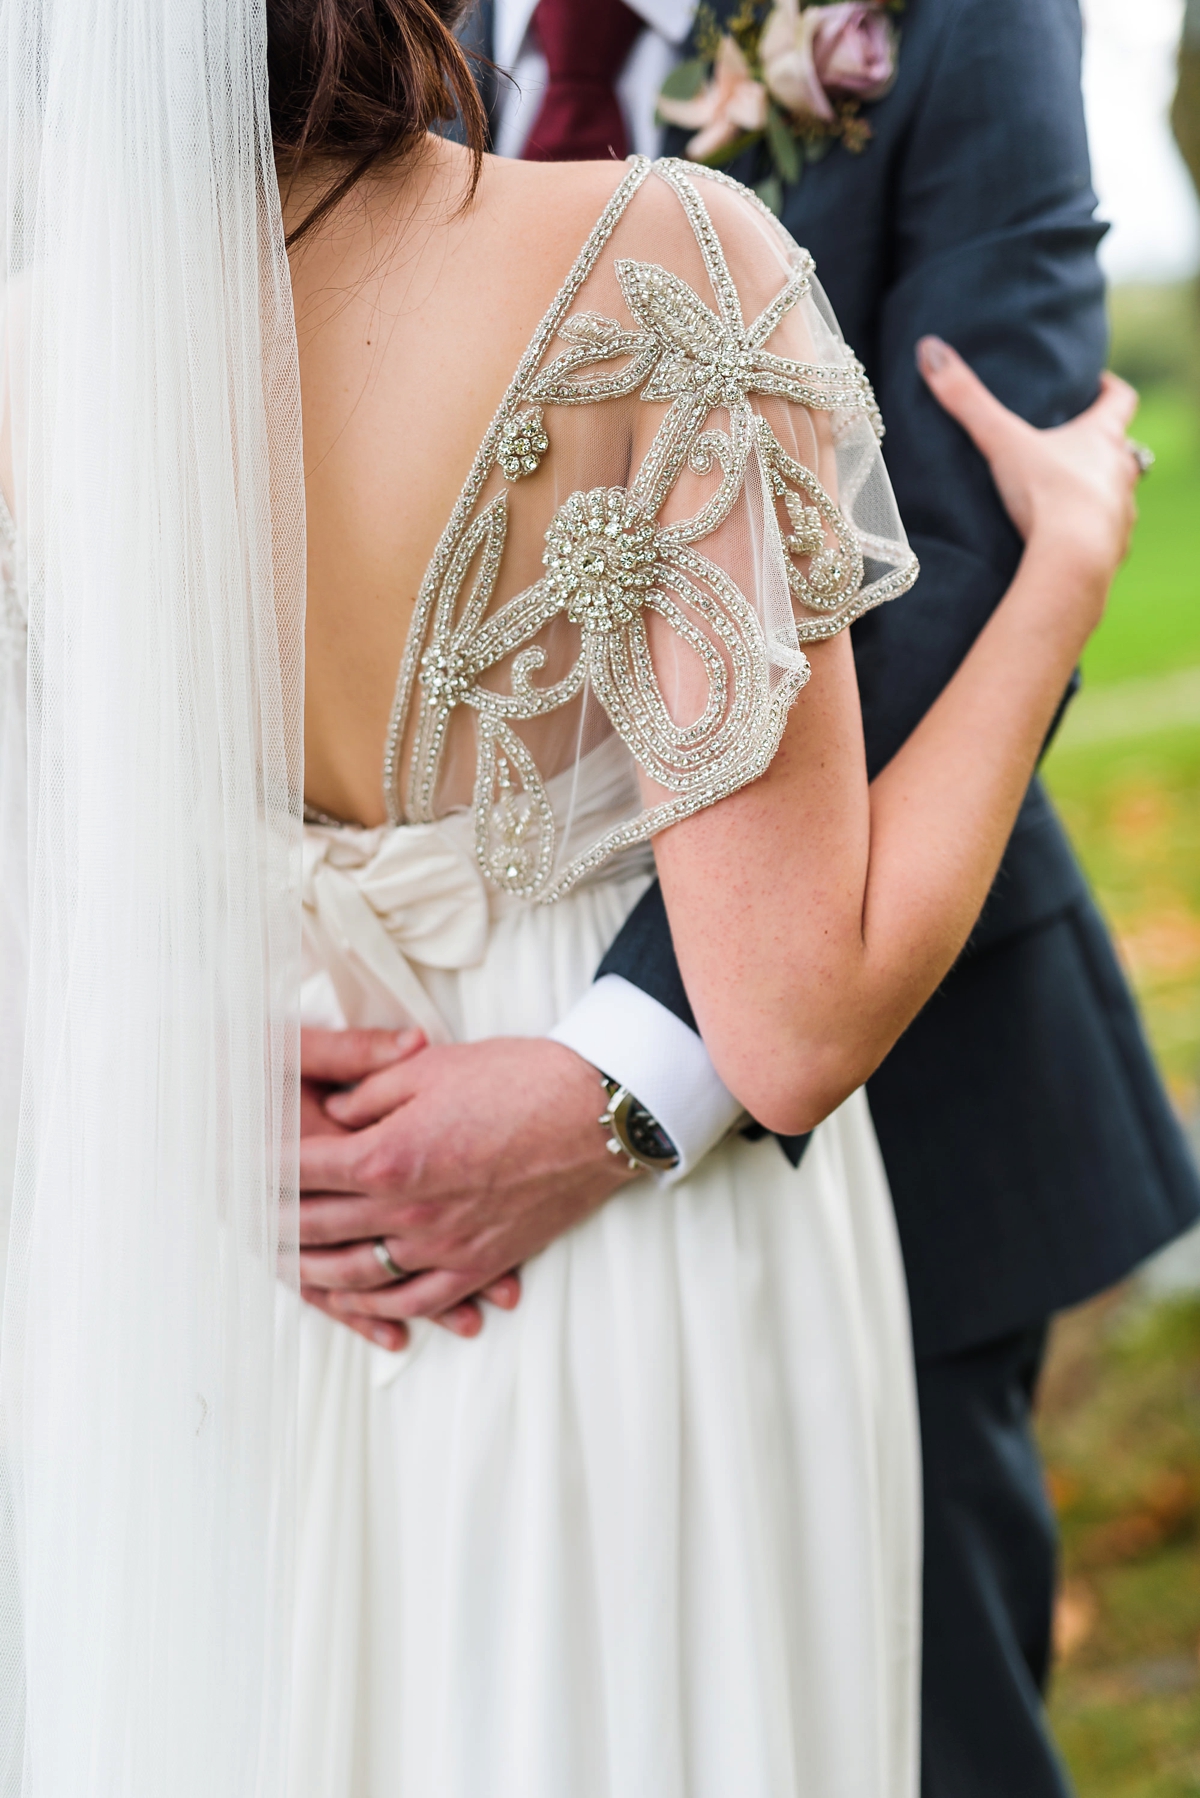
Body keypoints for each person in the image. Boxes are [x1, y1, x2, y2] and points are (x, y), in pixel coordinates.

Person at [0, 0, 1149, 1791]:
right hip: (638, 1313)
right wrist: (1062, 579)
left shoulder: (51, 348)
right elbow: (795, 1010)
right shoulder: (654, 258)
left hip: (269, 1252)